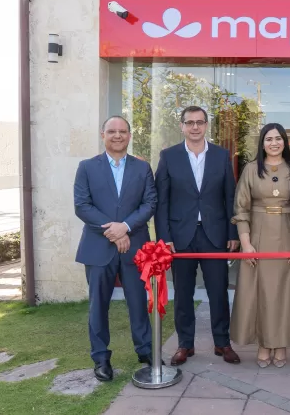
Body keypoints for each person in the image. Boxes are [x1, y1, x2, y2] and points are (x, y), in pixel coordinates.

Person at [154, 106, 241, 366]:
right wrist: (164, 237)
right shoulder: (168, 156)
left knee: (218, 292)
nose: (195, 127)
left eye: (200, 122)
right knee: (183, 293)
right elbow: (162, 201)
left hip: (214, 235)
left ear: (206, 126)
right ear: (182, 126)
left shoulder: (221, 155)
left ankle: (222, 342)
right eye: (190, 122)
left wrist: (233, 232)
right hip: (181, 237)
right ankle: (185, 344)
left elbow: (230, 196)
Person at [73, 115, 157, 382]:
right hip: (99, 248)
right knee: (98, 305)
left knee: (138, 302)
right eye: (112, 131)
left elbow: (149, 203)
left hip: (134, 246)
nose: (117, 135)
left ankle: (145, 351)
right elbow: (82, 205)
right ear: (103, 135)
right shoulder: (87, 167)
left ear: (130, 135)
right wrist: (114, 231)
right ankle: (100, 358)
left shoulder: (142, 168)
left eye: (122, 131)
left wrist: (126, 227)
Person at [230, 123, 290, 368]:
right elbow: (241, 208)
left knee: (284, 293)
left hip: (288, 235)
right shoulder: (251, 169)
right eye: (269, 139)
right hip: (258, 237)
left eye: (278, 139)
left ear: (285, 142)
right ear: (262, 143)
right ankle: (263, 344)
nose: (274, 143)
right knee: (261, 292)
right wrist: (246, 244)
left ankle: (281, 344)